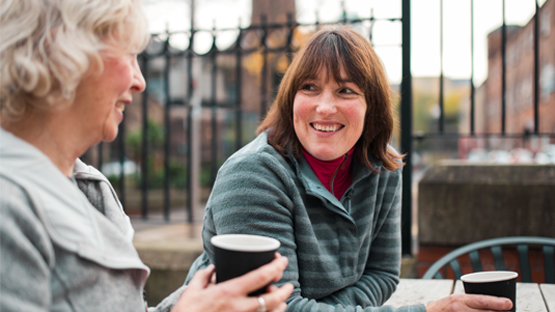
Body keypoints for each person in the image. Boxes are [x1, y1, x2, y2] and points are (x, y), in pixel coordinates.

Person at [184, 27, 513, 312]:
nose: (325, 107)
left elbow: (383, 274)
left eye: (345, 91)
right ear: (289, 98)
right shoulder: (253, 176)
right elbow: (278, 306)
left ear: (372, 107)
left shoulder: (384, 166)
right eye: (309, 87)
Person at [0, 0, 293, 311]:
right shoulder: (10, 203)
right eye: (128, 55)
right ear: (59, 52)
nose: (139, 82)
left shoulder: (89, 187)